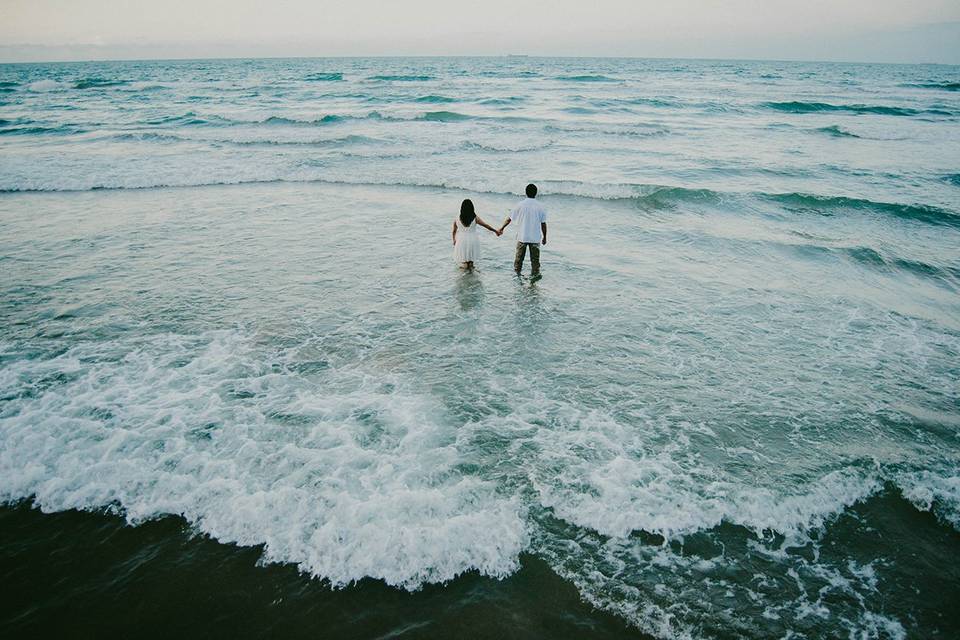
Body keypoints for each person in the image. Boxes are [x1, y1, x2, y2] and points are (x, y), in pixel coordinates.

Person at [498, 183, 548, 277]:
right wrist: (545, 237)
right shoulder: (540, 206)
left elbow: (510, 219)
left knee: (518, 262)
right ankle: (533, 284)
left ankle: (517, 281)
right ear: (536, 193)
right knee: (535, 263)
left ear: (526, 193)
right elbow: (543, 224)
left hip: (522, 237)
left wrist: (502, 228)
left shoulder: (520, 205)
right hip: (535, 238)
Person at [453, 198, 500, 270]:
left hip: (461, 240)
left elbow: (454, 231)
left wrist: (454, 240)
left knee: (464, 262)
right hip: (472, 240)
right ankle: (472, 277)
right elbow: (486, 225)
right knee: (471, 262)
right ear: (472, 208)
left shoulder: (457, 218)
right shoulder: (474, 218)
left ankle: (464, 278)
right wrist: (495, 231)